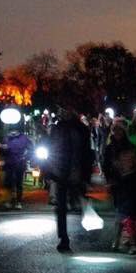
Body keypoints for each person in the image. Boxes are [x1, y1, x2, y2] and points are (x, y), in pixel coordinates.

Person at [43, 105, 93, 253]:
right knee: (61, 207)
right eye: (62, 110)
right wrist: (49, 170)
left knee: (79, 200)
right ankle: (63, 238)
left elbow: (86, 153)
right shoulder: (58, 129)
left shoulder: (81, 129)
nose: (64, 113)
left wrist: (86, 174)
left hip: (75, 170)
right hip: (61, 172)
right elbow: (51, 148)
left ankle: (83, 230)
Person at [103, 120, 136, 254]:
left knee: (125, 212)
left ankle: (132, 242)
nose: (117, 133)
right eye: (114, 130)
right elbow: (106, 166)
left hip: (130, 182)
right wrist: (109, 179)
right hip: (117, 183)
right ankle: (120, 240)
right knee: (122, 212)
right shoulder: (110, 148)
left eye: (119, 130)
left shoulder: (130, 146)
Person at [2, 125, 32, 209]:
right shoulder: (6, 138)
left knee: (19, 183)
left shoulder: (24, 138)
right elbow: (3, 152)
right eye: (12, 130)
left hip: (20, 163)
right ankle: (9, 201)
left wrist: (26, 157)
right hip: (9, 164)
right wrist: (4, 149)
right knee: (9, 183)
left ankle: (18, 202)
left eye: (15, 130)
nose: (13, 132)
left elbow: (30, 149)